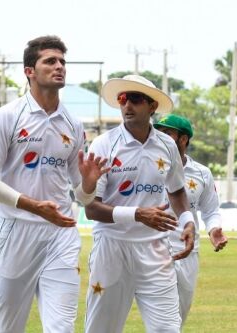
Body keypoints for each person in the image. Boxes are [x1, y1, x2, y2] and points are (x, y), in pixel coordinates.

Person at [0, 35, 108, 333]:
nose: (59, 66)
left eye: (62, 61)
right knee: (6, 327)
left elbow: (82, 196)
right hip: (16, 232)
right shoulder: (7, 116)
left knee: (61, 328)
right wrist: (32, 206)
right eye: (50, 61)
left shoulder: (72, 123)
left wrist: (88, 185)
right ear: (29, 71)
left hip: (61, 233)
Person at [84, 74, 197, 333]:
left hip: (155, 250)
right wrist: (138, 214)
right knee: (102, 329)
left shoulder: (167, 145)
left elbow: (177, 190)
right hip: (111, 250)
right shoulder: (104, 145)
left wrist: (187, 221)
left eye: (135, 99)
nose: (127, 105)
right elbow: (91, 208)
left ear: (152, 106)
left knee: (168, 329)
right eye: (122, 99)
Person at [153, 114, 228, 325]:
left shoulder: (202, 173)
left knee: (178, 317)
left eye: (167, 133)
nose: (159, 137)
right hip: (150, 248)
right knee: (162, 318)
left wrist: (214, 229)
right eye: (158, 132)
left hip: (186, 251)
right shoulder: (150, 165)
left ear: (183, 139)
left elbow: (211, 210)